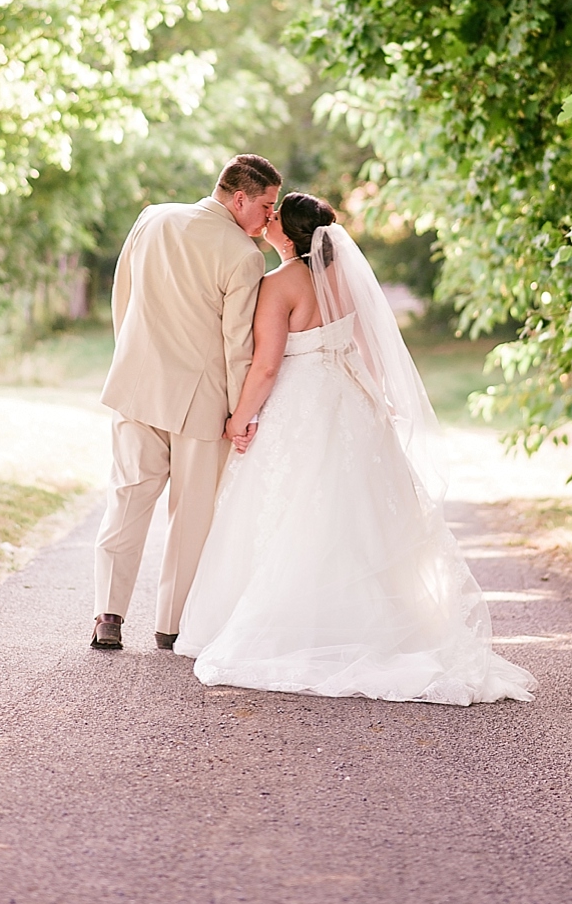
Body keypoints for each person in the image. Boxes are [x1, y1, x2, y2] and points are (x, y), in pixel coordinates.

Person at [175, 192, 538, 705]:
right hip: (350, 400)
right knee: (355, 511)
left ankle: (298, 626)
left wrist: (239, 418)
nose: (268, 220)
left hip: (300, 405)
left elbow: (267, 366)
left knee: (295, 510)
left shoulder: (278, 286)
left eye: (275, 217)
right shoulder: (345, 283)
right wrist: (380, 399)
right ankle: (372, 623)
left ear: (287, 234)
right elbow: (368, 345)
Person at [92, 153, 281, 650]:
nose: (269, 216)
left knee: (127, 498)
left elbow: (122, 296)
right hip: (202, 406)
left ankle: (107, 616)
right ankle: (170, 626)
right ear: (238, 198)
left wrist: (130, 355)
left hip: (136, 386)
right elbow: (236, 344)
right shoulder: (243, 255)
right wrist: (243, 414)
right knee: (191, 515)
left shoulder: (152, 218)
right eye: (265, 204)